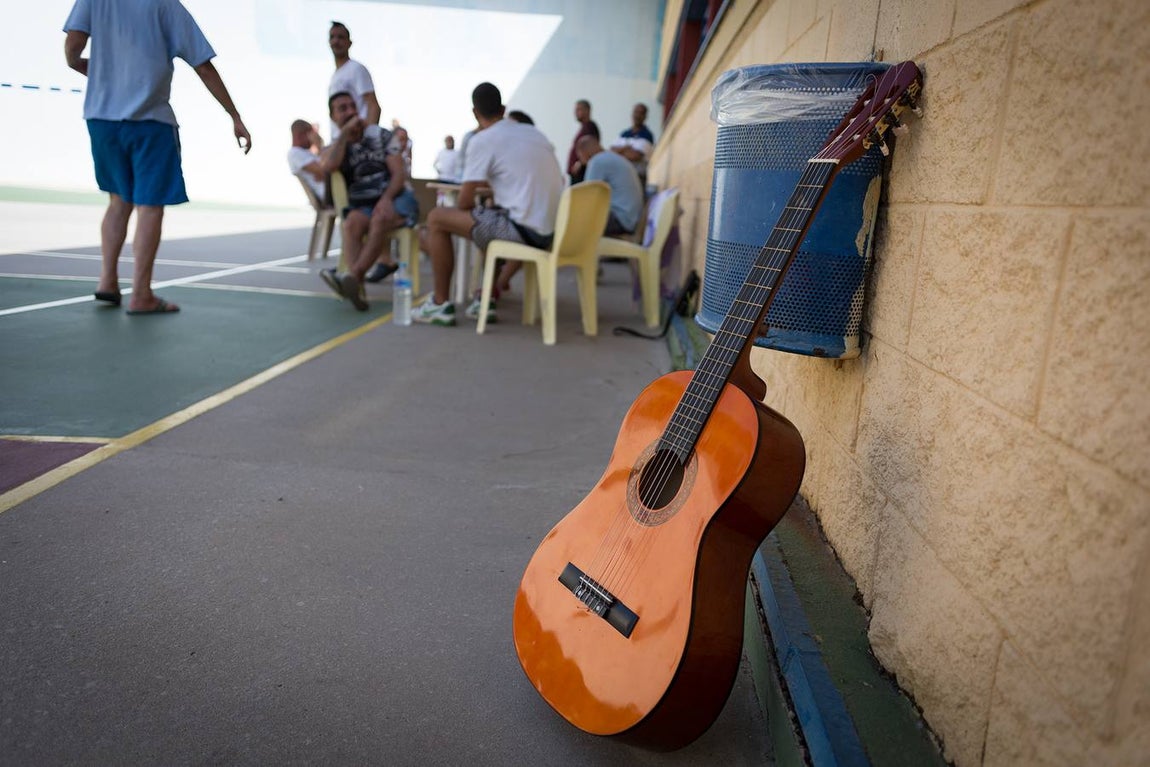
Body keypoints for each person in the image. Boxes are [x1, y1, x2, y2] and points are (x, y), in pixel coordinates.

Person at [63, 0, 251, 315]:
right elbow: (203, 65)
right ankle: (141, 295)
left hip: (102, 121)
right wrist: (234, 115)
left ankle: (107, 282)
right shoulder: (166, 6)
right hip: (150, 121)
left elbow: (72, 49)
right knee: (149, 207)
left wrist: (93, 70)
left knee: (118, 201)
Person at [414, 82, 563, 326]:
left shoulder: (483, 140)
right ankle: (484, 299)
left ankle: (440, 304)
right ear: (503, 109)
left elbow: (463, 201)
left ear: (475, 112)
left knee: (437, 218)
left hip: (524, 232)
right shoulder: (534, 134)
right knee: (489, 220)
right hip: (551, 231)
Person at [317, 91, 418, 311]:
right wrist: (343, 135)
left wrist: (386, 198)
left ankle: (353, 277)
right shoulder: (338, 145)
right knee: (352, 222)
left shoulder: (380, 135)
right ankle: (357, 291)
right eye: (342, 108)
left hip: (397, 198)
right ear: (333, 116)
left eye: (352, 106)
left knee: (381, 217)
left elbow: (399, 175)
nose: (351, 111)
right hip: (363, 206)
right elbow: (327, 166)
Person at [577, 135, 644, 236]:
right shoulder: (615, 158)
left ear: (584, 153)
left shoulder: (596, 161)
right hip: (633, 218)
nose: (582, 162)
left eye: (580, 158)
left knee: (577, 219)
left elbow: (588, 199)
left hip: (622, 219)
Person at [328, 21, 380, 141]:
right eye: (332, 37)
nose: (336, 41)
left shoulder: (356, 69)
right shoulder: (335, 75)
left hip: (356, 140)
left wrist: (368, 140)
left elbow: (373, 105)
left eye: (340, 37)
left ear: (349, 43)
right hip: (340, 142)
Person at [610, 102, 655, 188]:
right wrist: (626, 148)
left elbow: (635, 156)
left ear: (645, 116)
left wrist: (620, 151)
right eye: (635, 112)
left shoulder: (647, 135)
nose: (637, 115)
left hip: (637, 178)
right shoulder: (624, 134)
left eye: (640, 113)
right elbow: (611, 151)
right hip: (621, 176)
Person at [288, 119, 326, 202]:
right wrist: (319, 146)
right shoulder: (295, 153)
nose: (314, 138)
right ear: (300, 135)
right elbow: (326, 171)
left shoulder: (305, 153)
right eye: (311, 134)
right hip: (327, 194)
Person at [565, 99, 600, 184]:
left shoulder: (590, 127)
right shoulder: (584, 128)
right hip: (576, 174)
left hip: (582, 173)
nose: (576, 113)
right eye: (575, 110)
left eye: (579, 109)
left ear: (587, 110)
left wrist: (580, 162)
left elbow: (591, 149)